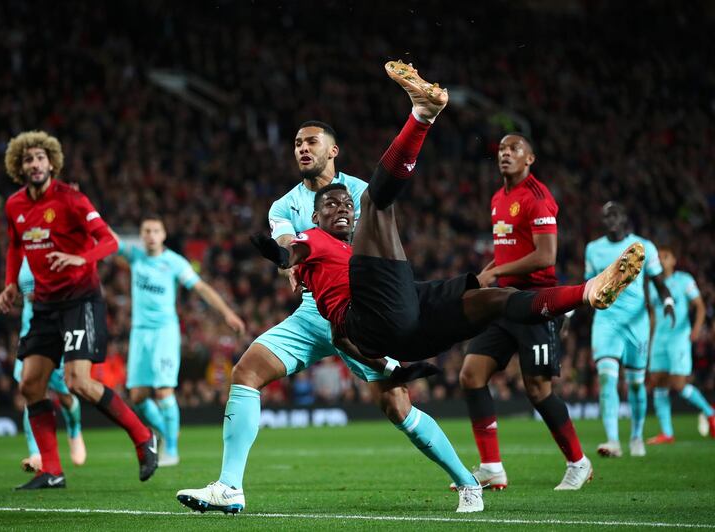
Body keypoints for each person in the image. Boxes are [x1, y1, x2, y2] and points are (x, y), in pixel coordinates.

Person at [249, 61, 644, 510]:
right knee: (377, 203)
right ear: (315, 216)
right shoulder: (309, 232)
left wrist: (390, 370)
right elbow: (293, 253)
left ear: (334, 149)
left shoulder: (352, 217)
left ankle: (589, 292)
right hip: (372, 310)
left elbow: (344, 338)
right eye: (332, 205)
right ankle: (422, 115)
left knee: (495, 300)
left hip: (404, 311)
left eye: (345, 202)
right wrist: (282, 256)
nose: (342, 208)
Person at [176, 62, 484, 515]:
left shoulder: (361, 192)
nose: (302, 148)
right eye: (298, 143)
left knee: (397, 407)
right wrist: (289, 259)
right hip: (311, 313)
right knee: (246, 372)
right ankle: (230, 487)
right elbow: (284, 240)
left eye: (311, 142)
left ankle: (467, 482)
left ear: (333, 150)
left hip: (361, 314)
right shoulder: (284, 204)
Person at [0, 130, 157, 489]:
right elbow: (15, 248)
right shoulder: (14, 205)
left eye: (39, 158)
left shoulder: (72, 199)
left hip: (81, 301)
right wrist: (9, 285)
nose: (34, 164)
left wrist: (79, 257)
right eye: (27, 159)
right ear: (19, 167)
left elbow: (109, 241)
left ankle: (143, 437)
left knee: (78, 382)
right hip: (45, 306)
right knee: (30, 384)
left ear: (51, 162)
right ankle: (51, 471)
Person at [456, 133, 591, 492]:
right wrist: (487, 273)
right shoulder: (498, 198)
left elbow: (546, 256)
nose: (505, 154)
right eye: (501, 149)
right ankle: (491, 467)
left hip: (535, 302)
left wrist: (496, 272)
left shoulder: (537, 197)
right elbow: (505, 254)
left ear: (529, 159)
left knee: (538, 390)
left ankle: (578, 462)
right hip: (503, 302)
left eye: (514, 149)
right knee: (471, 375)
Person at [116, 215, 246, 467]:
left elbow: (202, 288)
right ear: (141, 235)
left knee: (164, 390)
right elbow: (108, 238)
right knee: (138, 395)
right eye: (146, 231)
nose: (151, 235)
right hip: (139, 332)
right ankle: (164, 434)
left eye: (156, 230)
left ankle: (172, 450)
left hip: (164, 331)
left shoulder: (174, 263)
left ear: (163, 235)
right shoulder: (135, 256)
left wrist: (227, 313)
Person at [584, 201, 675, 458]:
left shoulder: (644, 246)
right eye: (605, 216)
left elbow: (658, 282)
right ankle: (613, 441)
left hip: (637, 323)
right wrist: (568, 313)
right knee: (606, 379)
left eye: (614, 214)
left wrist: (668, 302)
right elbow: (588, 284)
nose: (609, 219)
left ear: (624, 218)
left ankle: (636, 436)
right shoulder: (593, 249)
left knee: (635, 385)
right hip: (606, 321)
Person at [14, 258, 86, 473]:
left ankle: (74, 429)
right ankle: (36, 452)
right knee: (31, 392)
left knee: (66, 395)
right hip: (30, 333)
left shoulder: (54, 252)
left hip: (57, 334)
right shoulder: (20, 255)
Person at [647, 245, 714, 443]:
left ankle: (710, 412)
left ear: (674, 260)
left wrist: (696, 329)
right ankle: (667, 433)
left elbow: (700, 306)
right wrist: (649, 338)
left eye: (665, 256)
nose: (661, 260)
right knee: (657, 382)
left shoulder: (684, 280)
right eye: (659, 257)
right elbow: (653, 315)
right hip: (659, 338)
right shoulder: (653, 286)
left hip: (678, 338)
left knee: (678, 383)